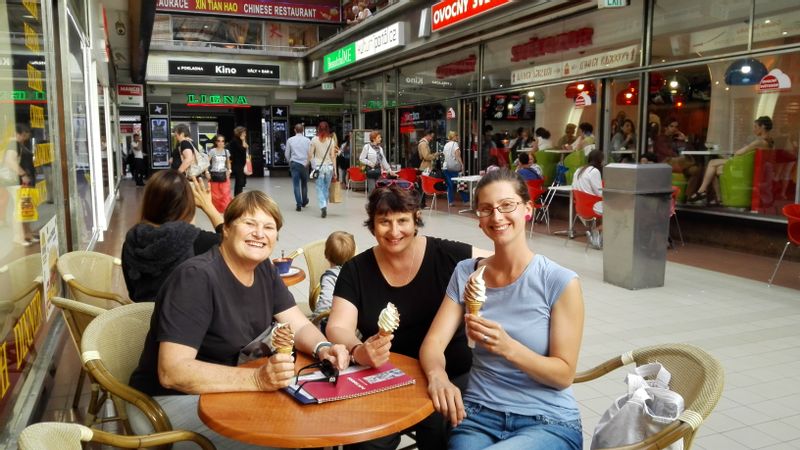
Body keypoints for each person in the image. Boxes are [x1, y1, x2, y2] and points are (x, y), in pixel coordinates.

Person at [129, 191, 349, 450]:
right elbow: (172, 372)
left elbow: (298, 324)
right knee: (286, 432)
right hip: (169, 402)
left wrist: (322, 347)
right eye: (249, 223)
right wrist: (258, 380)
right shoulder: (196, 279)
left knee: (314, 416)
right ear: (227, 228)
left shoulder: (264, 270)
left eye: (269, 227)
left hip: (229, 390)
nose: (259, 233)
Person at [420, 169, 584, 450]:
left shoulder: (559, 281)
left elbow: (563, 375)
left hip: (547, 421)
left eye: (507, 205)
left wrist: (507, 346)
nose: (497, 217)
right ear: (479, 220)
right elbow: (433, 343)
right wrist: (438, 377)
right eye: (486, 209)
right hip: (478, 417)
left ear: (527, 209)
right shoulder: (466, 273)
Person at [326, 184, 491, 450]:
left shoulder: (447, 255)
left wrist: (480, 281)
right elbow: (337, 326)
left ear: (416, 219)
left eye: (402, 220)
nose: (394, 231)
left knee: (445, 429)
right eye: (384, 222)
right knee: (363, 441)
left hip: (451, 372)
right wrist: (359, 350)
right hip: (386, 379)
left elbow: (502, 263)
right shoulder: (356, 269)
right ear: (372, 225)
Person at [122, 170, 223, 302]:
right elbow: (232, 242)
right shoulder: (196, 241)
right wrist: (209, 207)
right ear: (187, 204)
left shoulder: (133, 240)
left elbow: (132, 292)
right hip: (187, 320)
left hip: (142, 317)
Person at [689, 116, 774, 205]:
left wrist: (738, 151)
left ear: (763, 127)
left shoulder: (759, 142)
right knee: (717, 169)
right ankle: (718, 199)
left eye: (756, 127)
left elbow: (739, 153)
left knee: (711, 163)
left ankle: (702, 191)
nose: (754, 129)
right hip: (747, 166)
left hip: (742, 166)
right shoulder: (768, 143)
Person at [311, 230, 357, 333]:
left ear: (326, 255)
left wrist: (313, 322)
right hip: (354, 323)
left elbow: (325, 304)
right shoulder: (356, 272)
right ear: (353, 254)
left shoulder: (330, 277)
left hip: (335, 327)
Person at [573, 149, 604, 249]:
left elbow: (574, 187)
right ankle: (597, 230)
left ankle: (596, 237)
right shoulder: (594, 171)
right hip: (593, 207)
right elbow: (599, 192)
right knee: (617, 212)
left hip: (580, 207)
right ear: (600, 160)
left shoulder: (579, 170)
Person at [309, 121, 338, 218]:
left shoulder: (314, 140)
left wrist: (311, 164)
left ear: (318, 129)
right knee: (326, 187)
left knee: (319, 187)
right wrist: (335, 171)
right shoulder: (331, 140)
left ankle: (323, 205)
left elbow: (310, 155)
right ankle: (325, 203)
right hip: (329, 167)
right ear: (327, 129)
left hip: (318, 167)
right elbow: (333, 156)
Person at [285, 123, 310, 211]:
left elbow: (287, 154)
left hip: (294, 163)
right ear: (303, 130)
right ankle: (304, 201)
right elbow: (309, 153)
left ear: (295, 130)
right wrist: (308, 162)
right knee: (304, 183)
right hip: (304, 164)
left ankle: (298, 204)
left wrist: (289, 162)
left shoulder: (290, 140)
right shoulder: (307, 140)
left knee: (296, 185)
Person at [359, 130, 393, 195]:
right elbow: (361, 158)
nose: (380, 139)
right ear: (373, 139)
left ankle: (377, 204)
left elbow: (383, 160)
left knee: (379, 190)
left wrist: (389, 170)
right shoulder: (367, 147)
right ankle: (372, 204)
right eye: (379, 137)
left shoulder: (380, 148)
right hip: (371, 171)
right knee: (372, 191)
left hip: (378, 171)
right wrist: (370, 163)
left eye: (380, 137)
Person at [442, 130, 468, 206]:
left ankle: (450, 201)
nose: (457, 137)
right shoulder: (455, 144)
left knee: (450, 185)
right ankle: (466, 200)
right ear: (453, 137)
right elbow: (457, 155)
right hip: (455, 167)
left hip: (447, 167)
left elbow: (444, 155)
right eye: (456, 136)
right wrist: (462, 164)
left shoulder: (446, 145)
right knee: (460, 183)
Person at [208, 133, 232, 213]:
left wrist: (229, 170)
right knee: (215, 194)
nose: (221, 143)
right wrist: (206, 172)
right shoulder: (212, 151)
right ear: (216, 142)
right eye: (219, 141)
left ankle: (226, 209)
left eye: (222, 141)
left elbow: (228, 162)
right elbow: (206, 162)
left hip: (224, 174)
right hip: (214, 174)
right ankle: (216, 209)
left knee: (225, 193)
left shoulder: (226, 151)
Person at [230, 125, 249, 196]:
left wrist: (243, 140)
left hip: (241, 163)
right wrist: (243, 140)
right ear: (239, 132)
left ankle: (238, 195)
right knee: (239, 181)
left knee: (241, 181)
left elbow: (246, 147)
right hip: (237, 164)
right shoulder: (235, 141)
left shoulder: (239, 140)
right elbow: (243, 149)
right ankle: (238, 195)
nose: (245, 134)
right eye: (244, 132)